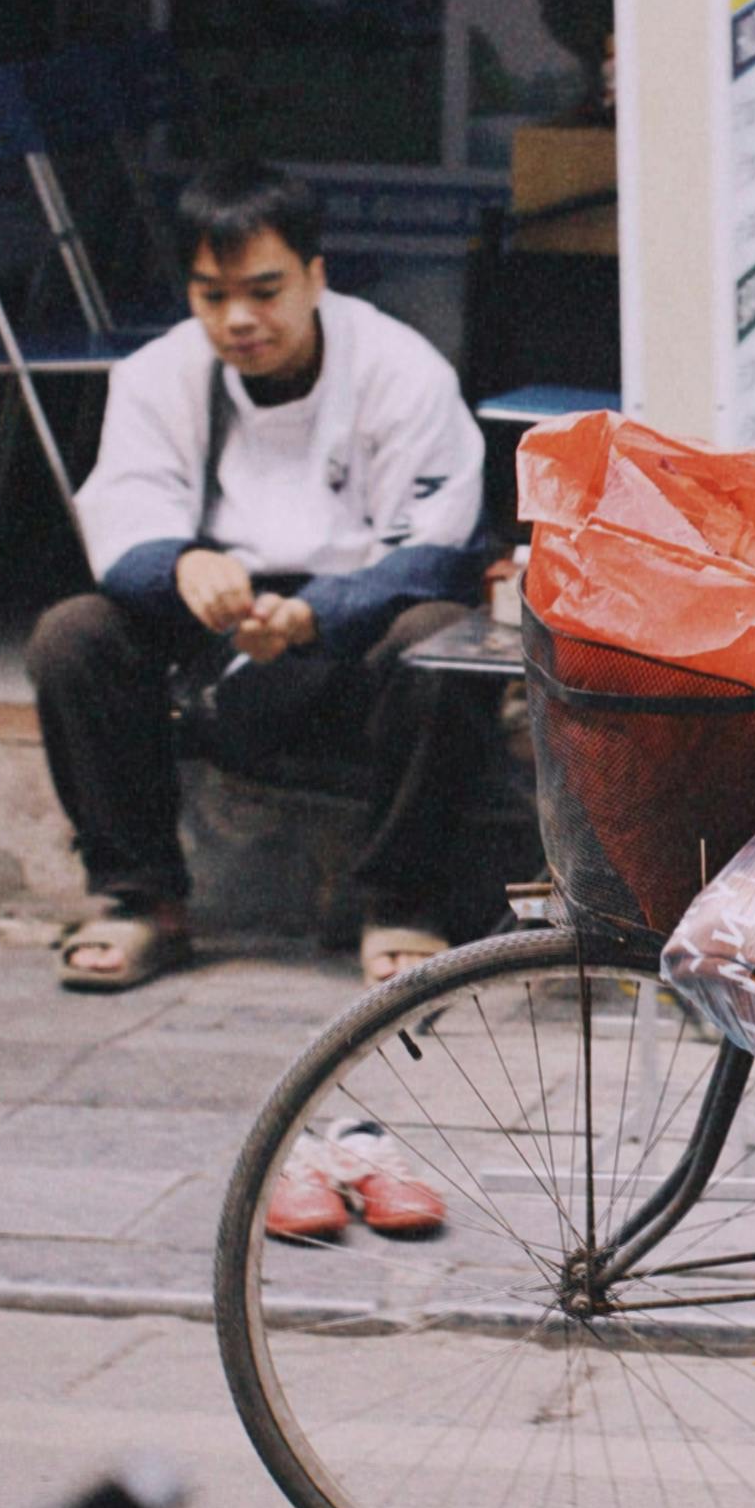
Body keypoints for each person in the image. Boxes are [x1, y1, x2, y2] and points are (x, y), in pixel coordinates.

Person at [37, 161, 492, 999]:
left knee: (441, 639)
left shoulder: (401, 369)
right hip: (218, 632)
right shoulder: (157, 375)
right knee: (74, 634)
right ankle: (140, 898)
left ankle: (401, 902)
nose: (239, 318)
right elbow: (123, 519)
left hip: (355, 630)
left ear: (316, 276)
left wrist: (320, 614)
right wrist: (181, 565)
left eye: (264, 289)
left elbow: (437, 549)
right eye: (212, 294)